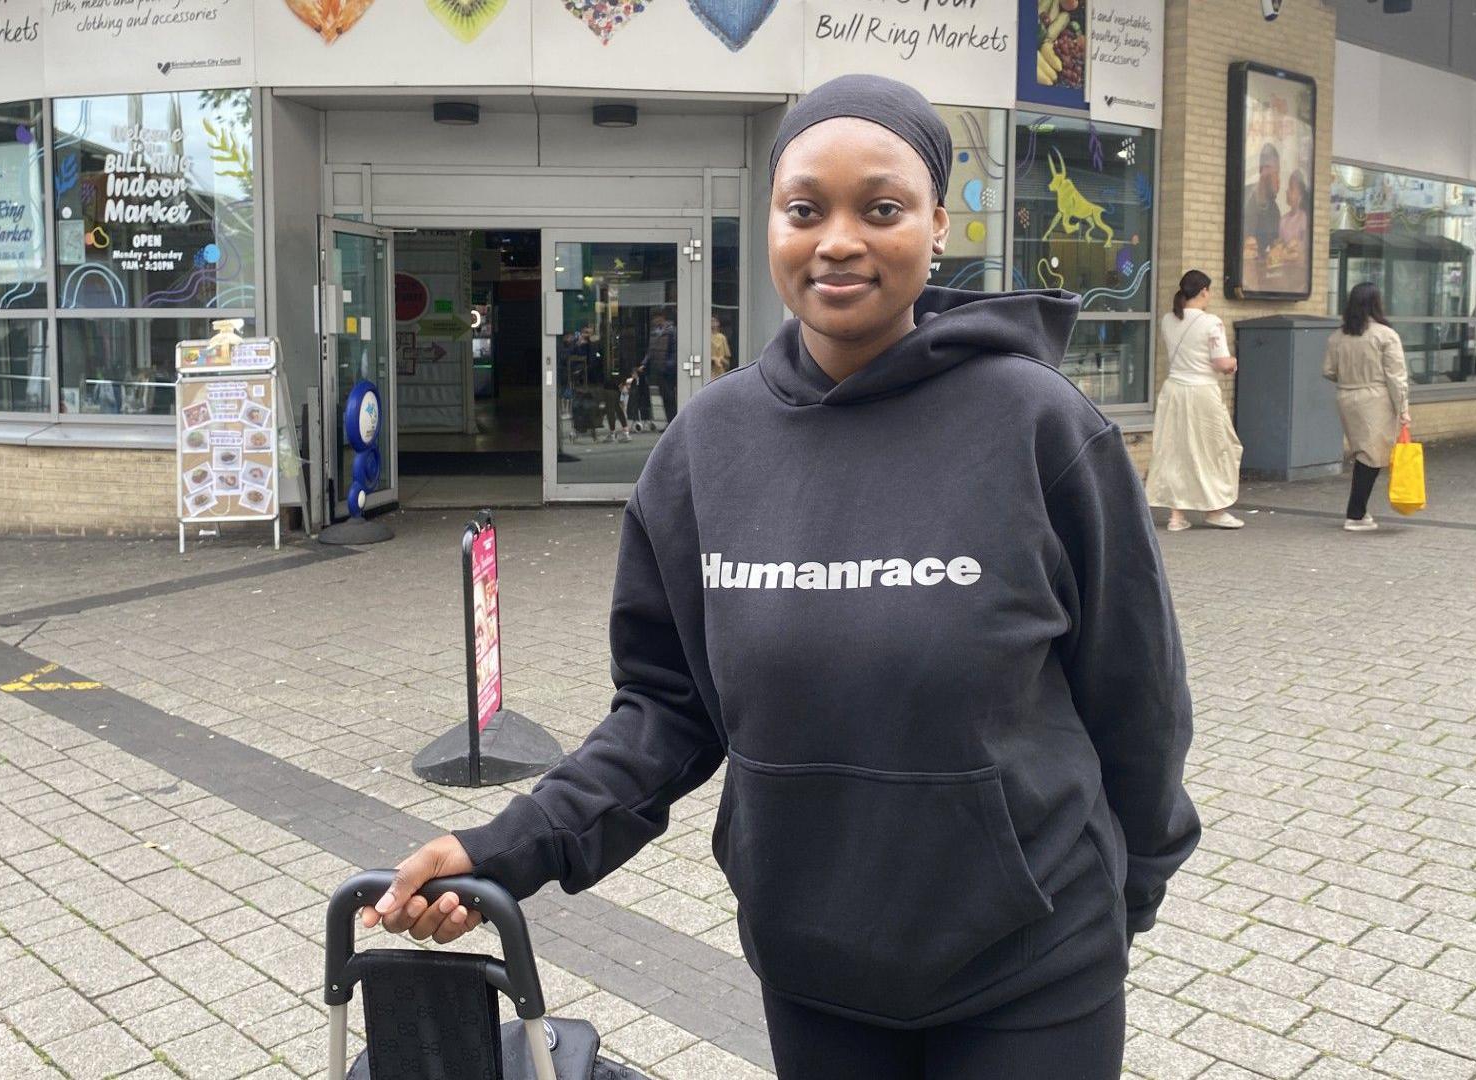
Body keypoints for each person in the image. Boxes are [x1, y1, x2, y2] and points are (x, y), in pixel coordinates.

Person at [360, 74, 1198, 1080]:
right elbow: (667, 714)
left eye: (880, 208)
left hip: (1035, 971)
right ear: (773, 226)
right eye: (806, 209)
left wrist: (1126, 894)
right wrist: (510, 845)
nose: (838, 238)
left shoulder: (1040, 426)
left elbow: (1137, 695)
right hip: (816, 973)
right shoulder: (706, 450)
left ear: (937, 225)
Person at [1145, 270, 1245, 532]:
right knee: (1218, 449)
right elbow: (1221, 362)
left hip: (1173, 391)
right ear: (1203, 292)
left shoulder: (1168, 320)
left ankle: (1176, 516)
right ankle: (1216, 509)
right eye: (1209, 291)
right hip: (1202, 393)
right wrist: (1234, 363)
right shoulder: (1211, 323)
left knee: (1175, 450)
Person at [1323, 282, 1411, 532]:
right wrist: (1403, 409)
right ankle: (1356, 513)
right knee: (1371, 455)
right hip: (1376, 398)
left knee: (1364, 451)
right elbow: (1396, 376)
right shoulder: (1385, 334)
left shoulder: (1338, 336)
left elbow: (1328, 370)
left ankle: (1358, 511)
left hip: (1347, 396)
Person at [1241, 142, 1282, 283]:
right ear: (1262, 169)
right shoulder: (1243, 197)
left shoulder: (1274, 211)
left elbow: (1274, 249)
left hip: (1260, 278)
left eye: (1278, 172)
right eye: (1273, 171)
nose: (1277, 179)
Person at [710, 315, 734, 379]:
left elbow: (727, 361)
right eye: (711, 321)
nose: (713, 324)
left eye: (715, 321)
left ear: (718, 323)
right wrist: (713, 359)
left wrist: (721, 359)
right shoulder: (707, 337)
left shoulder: (722, 337)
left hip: (720, 371)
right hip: (710, 371)